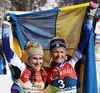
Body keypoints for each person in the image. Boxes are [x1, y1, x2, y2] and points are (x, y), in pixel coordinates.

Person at [46, 2, 98, 93]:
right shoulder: (46, 71)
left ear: (65, 53)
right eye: (56, 52)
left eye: (62, 52)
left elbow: (83, 43)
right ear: (51, 54)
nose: (59, 55)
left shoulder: (72, 63)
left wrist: (89, 19)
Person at [2, 22, 47, 93]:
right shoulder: (21, 68)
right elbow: (7, 51)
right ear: (28, 59)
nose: (38, 62)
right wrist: (5, 29)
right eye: (34, 58)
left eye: (40, 58)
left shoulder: (45, 72)